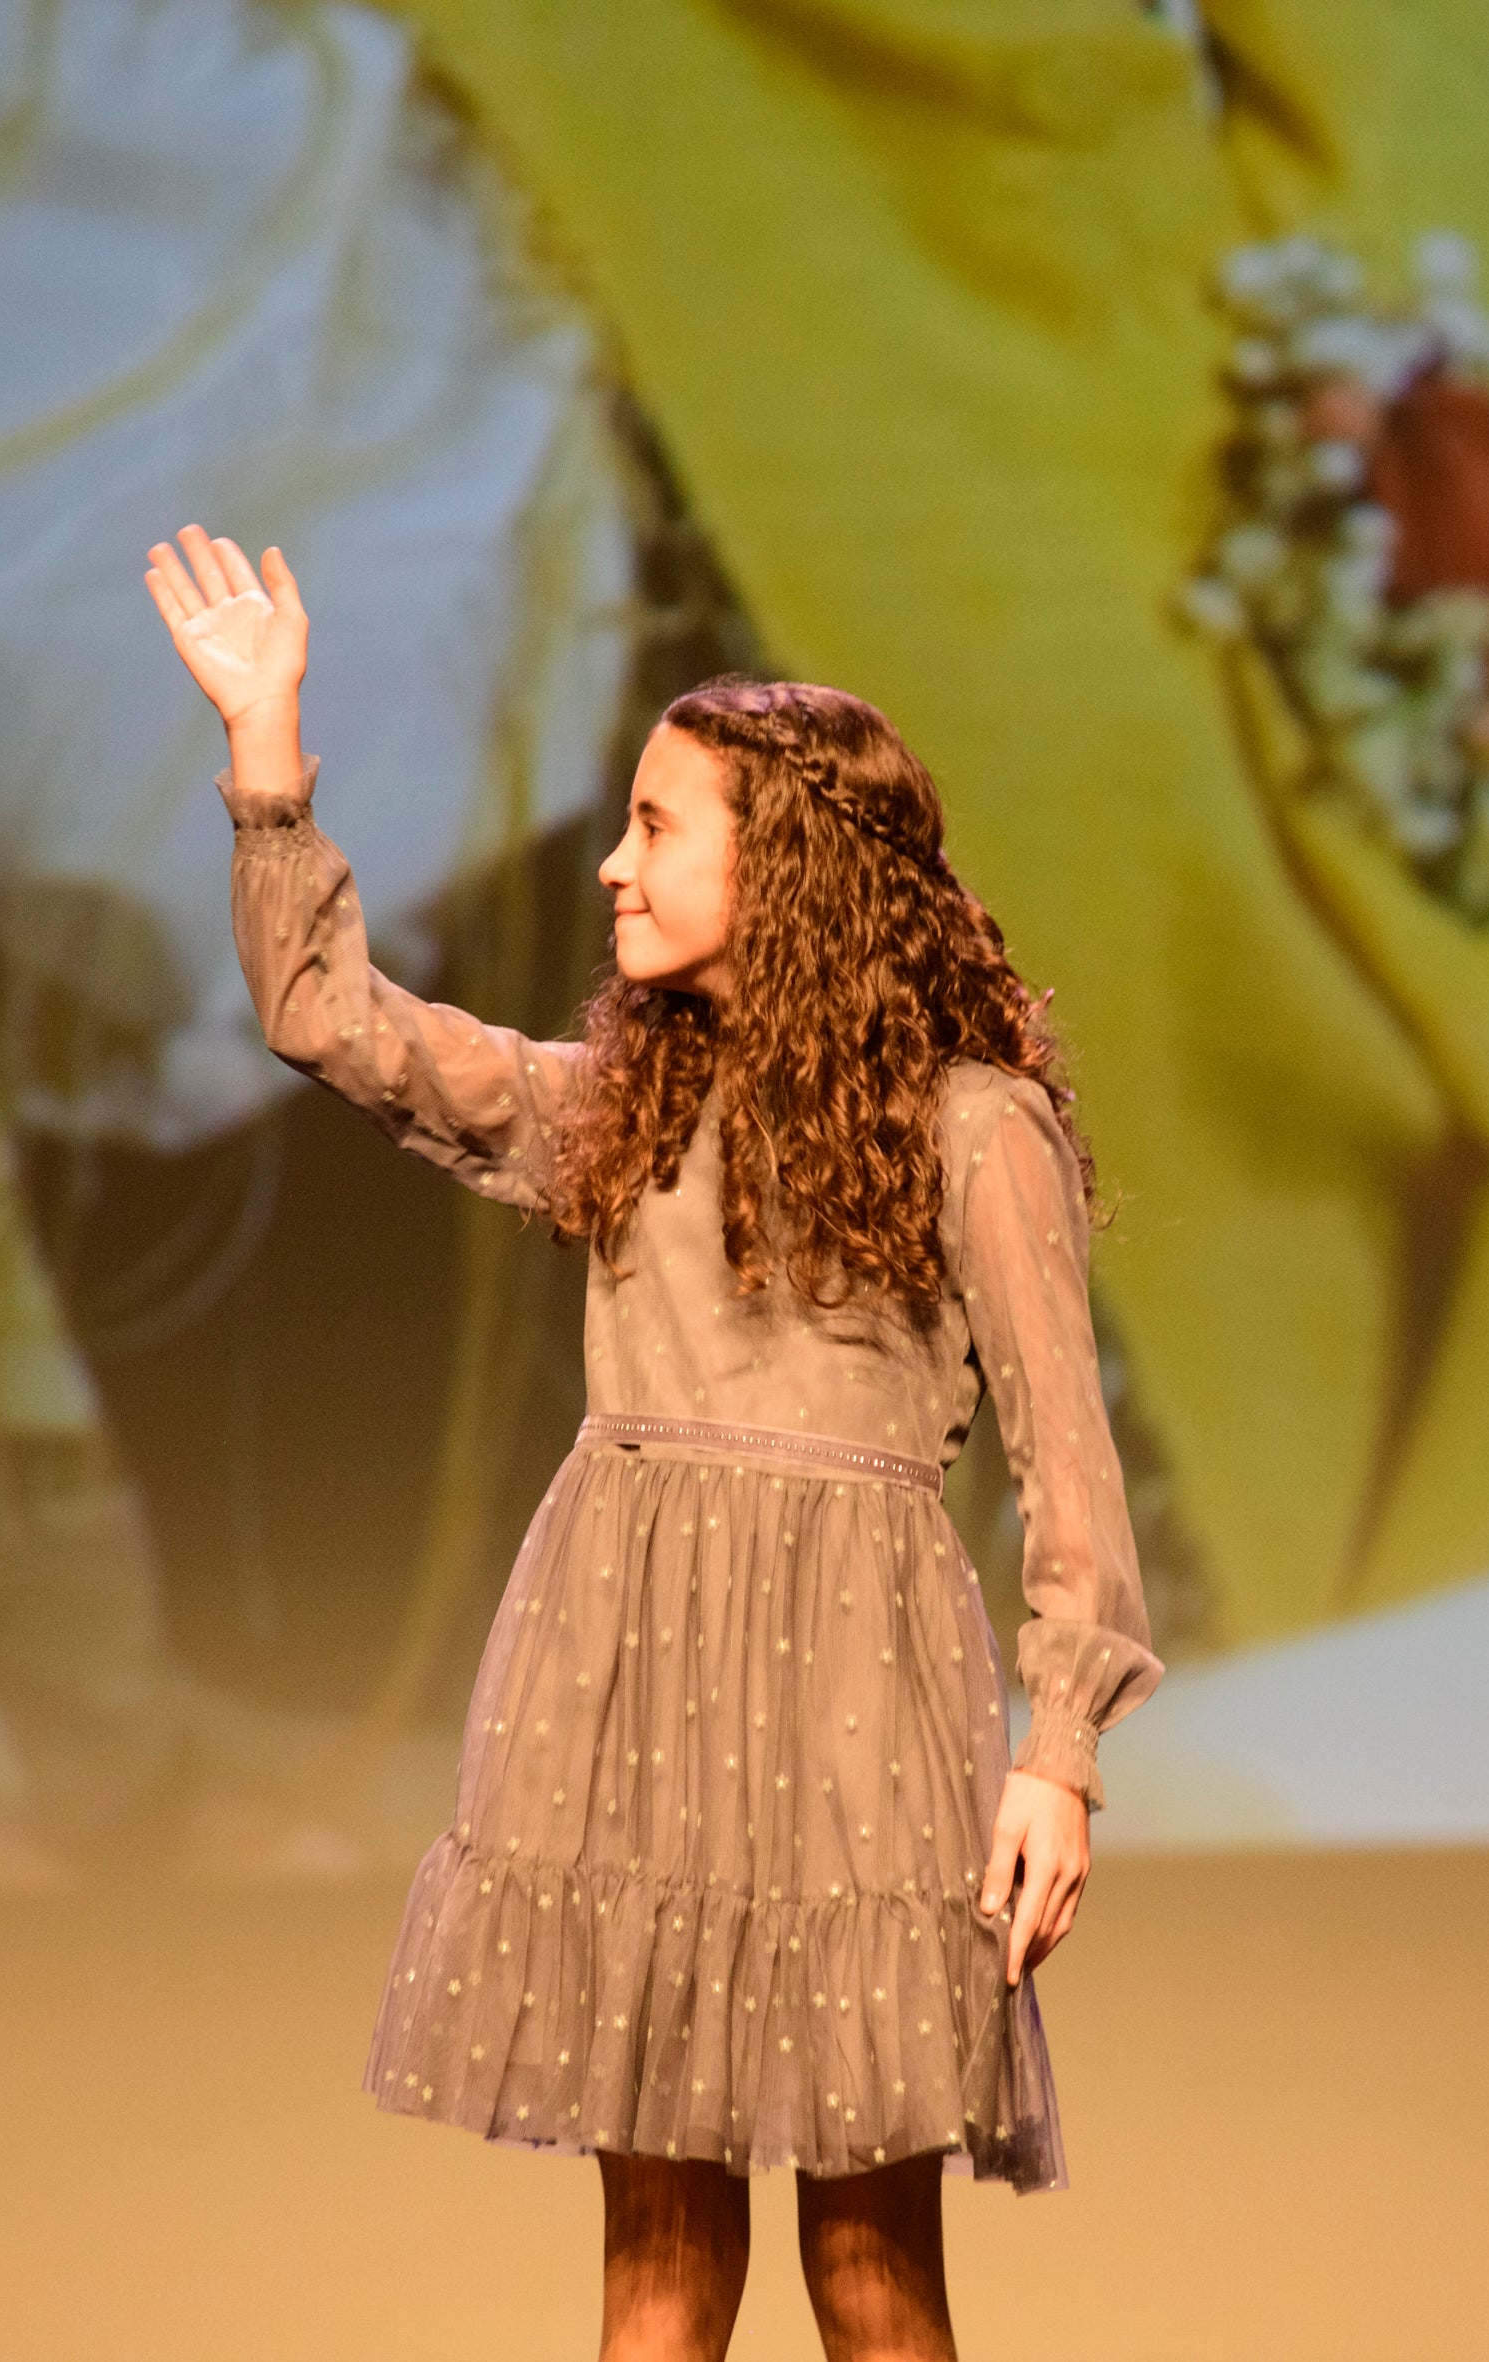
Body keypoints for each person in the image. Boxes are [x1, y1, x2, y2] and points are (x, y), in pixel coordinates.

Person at [146, 523, 1161, 2362]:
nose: (611, 862)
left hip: (862, 1696)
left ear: (783, 868)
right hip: (632, 1680)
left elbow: (1072, 1464)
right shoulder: (617, 1104)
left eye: (656, 825)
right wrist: (268, 760)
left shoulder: (971, 1125)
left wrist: (1062, 1749)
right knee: (658, 2278)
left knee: (872, 2274)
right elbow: (330, 1021)